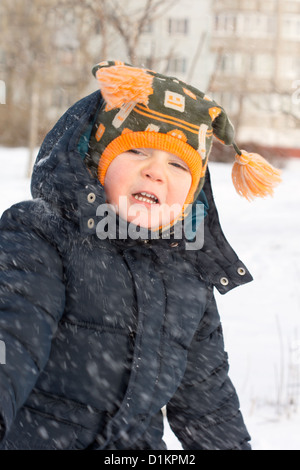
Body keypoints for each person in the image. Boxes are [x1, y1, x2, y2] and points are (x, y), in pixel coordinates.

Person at [0, 61, 281, 450]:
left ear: (191, 195)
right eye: (135, 150)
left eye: (178, 164)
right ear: (98, 162)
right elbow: (12, 340)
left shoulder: (188, 272)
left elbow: (208, 405)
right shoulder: (42, 234)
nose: (156, 172)